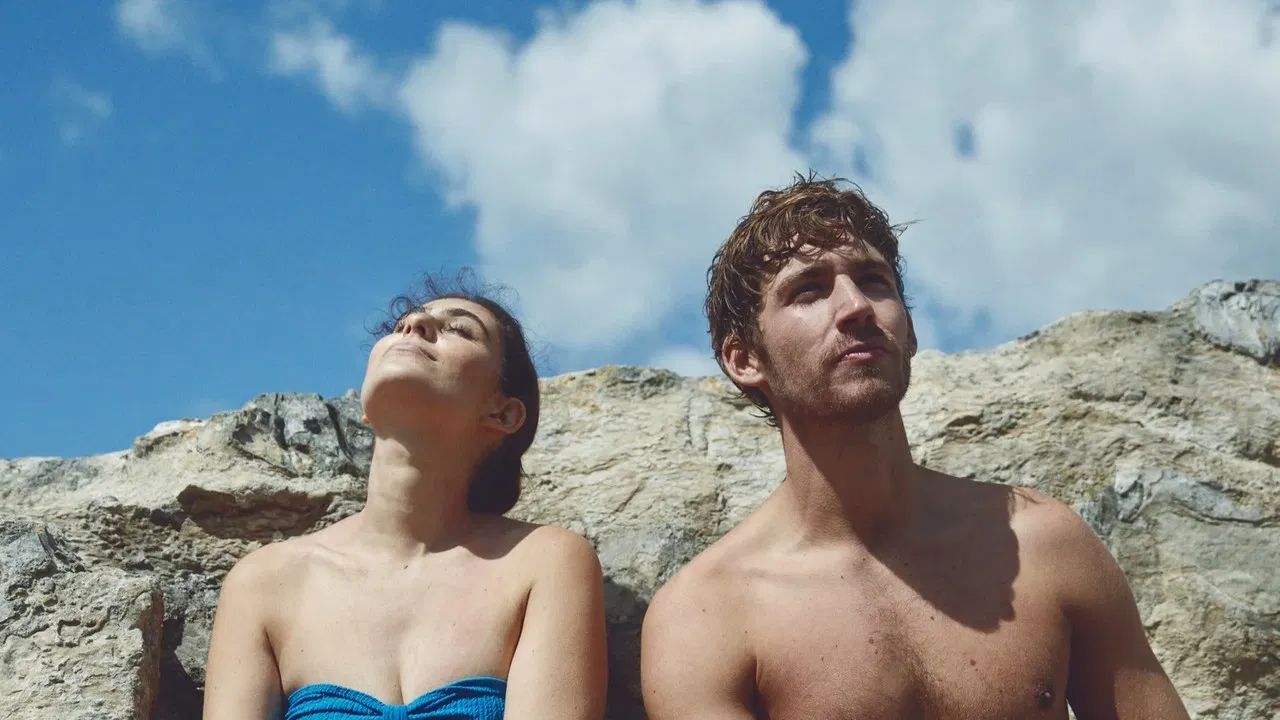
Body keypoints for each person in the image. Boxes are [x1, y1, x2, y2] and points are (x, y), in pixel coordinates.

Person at [640, 174, 1190, 719]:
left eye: (874, 281)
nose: (856, 306)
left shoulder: (1045, 545)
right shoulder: (708, 617)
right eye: (809, 290)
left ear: (910, 333)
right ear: (744, 360)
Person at [203, 274, 608, 720]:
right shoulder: (262, 583)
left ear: (504, 413)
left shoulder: (544, 562)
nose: (414, 326)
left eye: (460, 329)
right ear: (365, 406)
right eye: (401, 326)